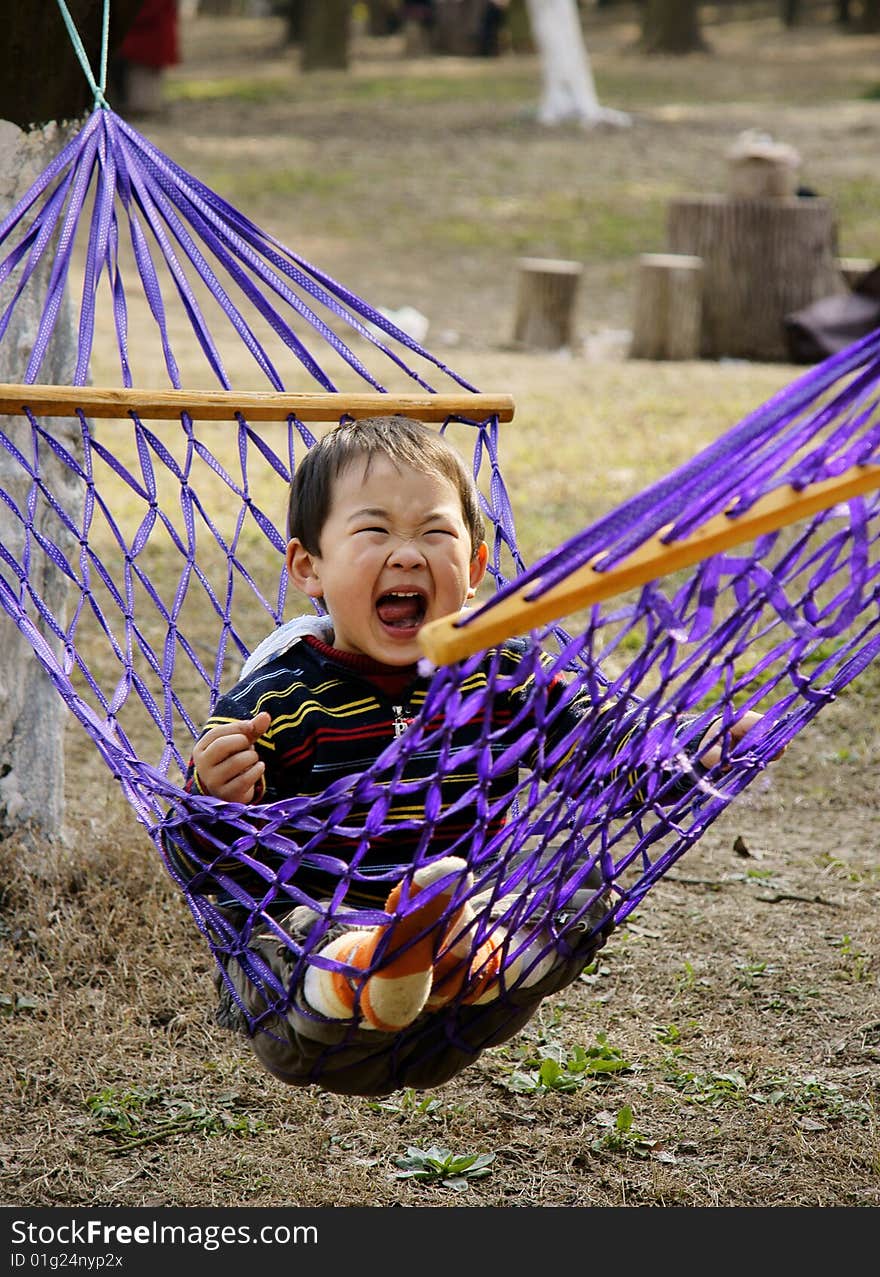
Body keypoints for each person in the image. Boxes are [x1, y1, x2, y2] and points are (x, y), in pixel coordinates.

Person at [182, 415, 768, 1089]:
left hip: (462, 970)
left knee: (578, 883)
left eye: (434, 533)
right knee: (286, 933)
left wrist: (703, 744)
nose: (407, 554)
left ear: (476, 567)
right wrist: (209, 794)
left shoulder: (501, 673)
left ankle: (468, 958)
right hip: (315, 1003)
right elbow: (201, 866)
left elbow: (606, 747)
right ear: (308, 567)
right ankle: (371, 968)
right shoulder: (277, 698)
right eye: (374, 531)